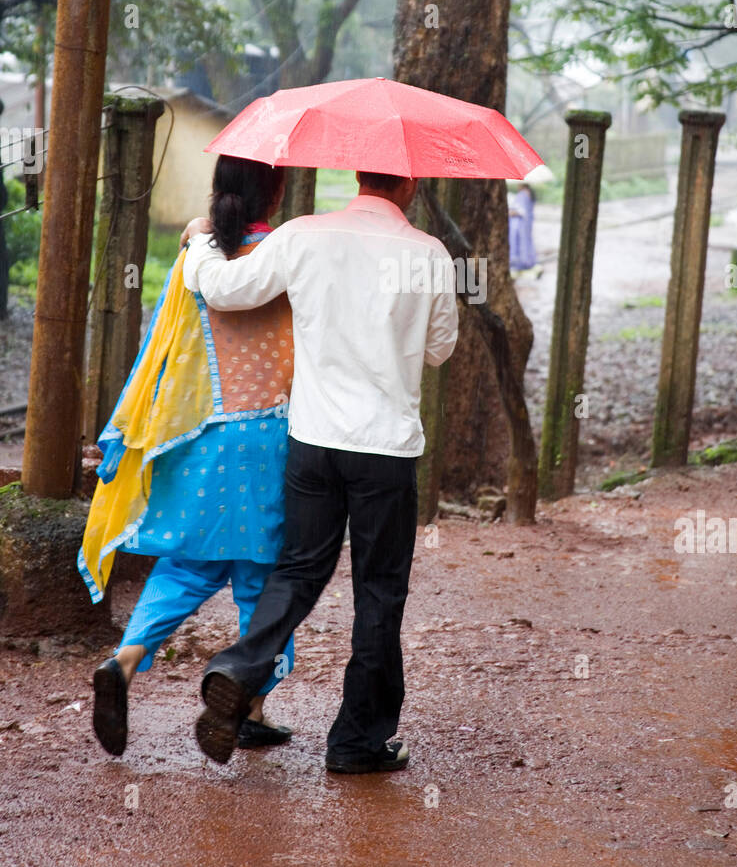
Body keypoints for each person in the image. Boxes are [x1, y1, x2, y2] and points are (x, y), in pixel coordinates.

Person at [181, 169, 459, 773]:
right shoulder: (429, 254)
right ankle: (358, 742)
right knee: (379, 593)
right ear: (409, 184)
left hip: (313, 442)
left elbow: (226, 289)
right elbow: (440, 348)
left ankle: (238, 668)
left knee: (300, 570)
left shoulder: (304, 235)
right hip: (385, 450)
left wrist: (201, 241)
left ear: (359, 174)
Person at [80, 156, 296, 757]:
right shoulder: (287, 255)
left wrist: (126, 429)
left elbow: (160, 349)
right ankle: (247, 702)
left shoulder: (194, 260)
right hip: (271, 444)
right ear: (276, 192)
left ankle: (123, 661)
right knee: (267, 580)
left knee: (186, 567)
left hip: (198, 437)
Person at [508, 181, 539, 277]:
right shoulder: (529, 194)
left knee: (519, 243)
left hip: (520, 224)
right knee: (527, 242)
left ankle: (521, 264)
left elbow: (521, 211)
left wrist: (511, 212)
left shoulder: (522, 195)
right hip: (527, 224)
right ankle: (528, 261)